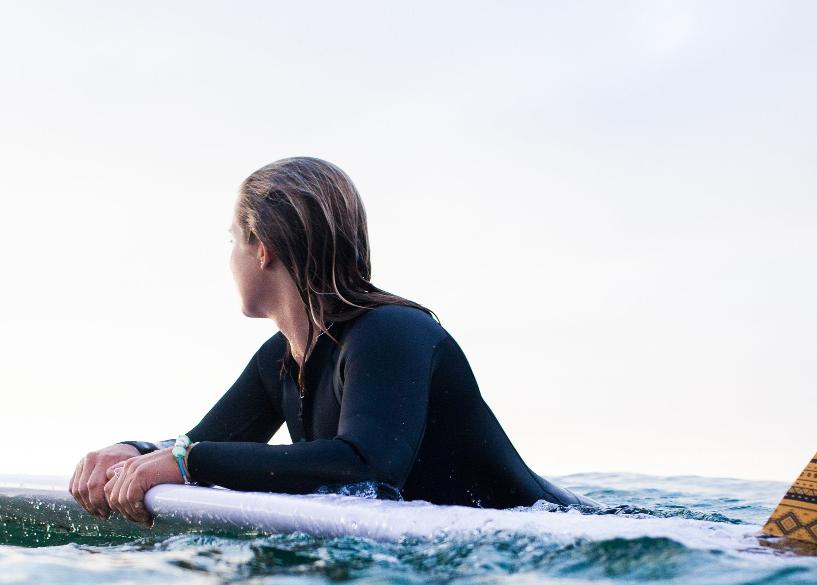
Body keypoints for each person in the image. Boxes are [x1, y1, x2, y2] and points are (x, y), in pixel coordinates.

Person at [69, 156, 591, 528]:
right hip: (459, 558)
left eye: (233, 239)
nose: (229, 256)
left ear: (263, 249)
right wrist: (134, 452)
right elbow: (201, 444)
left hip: (559, 538)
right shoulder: (281, 358)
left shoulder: (391, 332)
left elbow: (367, 464)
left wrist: (187, 463)